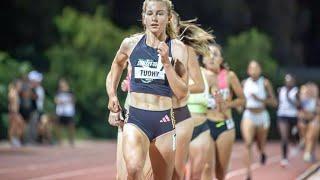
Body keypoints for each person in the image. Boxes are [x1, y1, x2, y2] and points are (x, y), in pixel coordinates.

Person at [106, 0, 189, 179]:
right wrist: (112, 94)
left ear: (168, 18)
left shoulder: (178, 49)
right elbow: (116, 65)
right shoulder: (131, 44)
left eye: (160, 13)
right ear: (143, 18)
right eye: (150, 13)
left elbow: (182, 93)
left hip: (164, 121)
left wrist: (167, 63)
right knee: (134, 170)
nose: (154, 18)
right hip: (136, 118)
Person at [170, 11, 214, 180]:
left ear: (178, 26)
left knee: (178, 173)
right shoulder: (147, 48)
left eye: (171, 22)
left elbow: (200, 85)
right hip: (154, 116)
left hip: (183, 117)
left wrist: (179, 89)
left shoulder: (186, 51)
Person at [203, 44, 245, 180]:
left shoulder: (229, 76)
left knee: (220, 171)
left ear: (221, 59)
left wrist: (227, 104)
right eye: (208, 54)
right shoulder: (200, 75)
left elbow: (242, 99)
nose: (211, 57)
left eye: (215, 54)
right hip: (205, 124)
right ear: (203, 59)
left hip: (224, 125)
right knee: (206, 167)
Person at [241, 60, 277, 180]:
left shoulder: (265, 83)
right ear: (248, 70)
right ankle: (248, 173)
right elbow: (240, 99)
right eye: (251, 68)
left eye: (256, 68)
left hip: (261, 115)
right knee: (248, 143)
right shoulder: (244, 83)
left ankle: (262, 152)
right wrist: (239, 106)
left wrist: (260, 99)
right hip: (249, 115)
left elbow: (274, 102)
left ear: (260, 70)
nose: (254, 70)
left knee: (260, 144)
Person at [277, 74, 300, 167]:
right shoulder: (280, 90)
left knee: (293, 134)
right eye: (287, 80)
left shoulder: (296, 91)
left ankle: (295, 143)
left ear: (293, 82)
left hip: (293, 116)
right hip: (282, 115)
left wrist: (289, 98)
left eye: (290, 80)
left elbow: (299, 104)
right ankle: (284, 158)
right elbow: (278, 102)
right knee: (284, 137)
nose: (288, 82)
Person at [298, 82, 319, 162]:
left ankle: (308, 153)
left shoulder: (316, 100)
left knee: (311, 136)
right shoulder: (302, 99)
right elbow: (299, 109)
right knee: (305, 137)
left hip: (313, 119)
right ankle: (304, 143)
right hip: (303, 119)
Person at [55, 78, 76, 146]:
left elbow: (73, 101)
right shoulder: (58, 92)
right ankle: (59, 141)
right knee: (58, 126)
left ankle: (71, 140)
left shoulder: (70, 92)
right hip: (60, 112)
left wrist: (65, 101)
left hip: (68, 112)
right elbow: (56, 100)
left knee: (70, 126)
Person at [8, 79, 25, 147]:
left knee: (20, 125)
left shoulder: (16, 93)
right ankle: (12, 140)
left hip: (16, 112)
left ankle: (15, 139)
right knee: (13, 127)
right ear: (16, 85)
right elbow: (11, 104)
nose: (20, 87)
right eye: (19, 85)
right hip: (14, 112)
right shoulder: (13, 93)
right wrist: (13, 113)